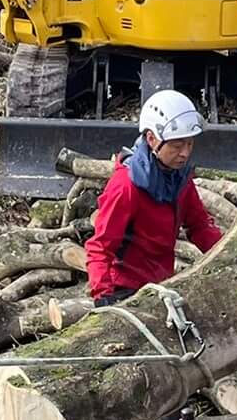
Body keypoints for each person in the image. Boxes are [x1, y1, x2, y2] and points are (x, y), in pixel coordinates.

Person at [87, 90, 224, 306]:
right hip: (125, 289)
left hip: (162, 283)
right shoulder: (126, 186)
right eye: (177, 146)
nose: (185, 153)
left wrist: (227, 254)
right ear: (151, 139)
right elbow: (100, 247)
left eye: (189, 144)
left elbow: (199, 227)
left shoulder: (179, 179)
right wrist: (103, 296)